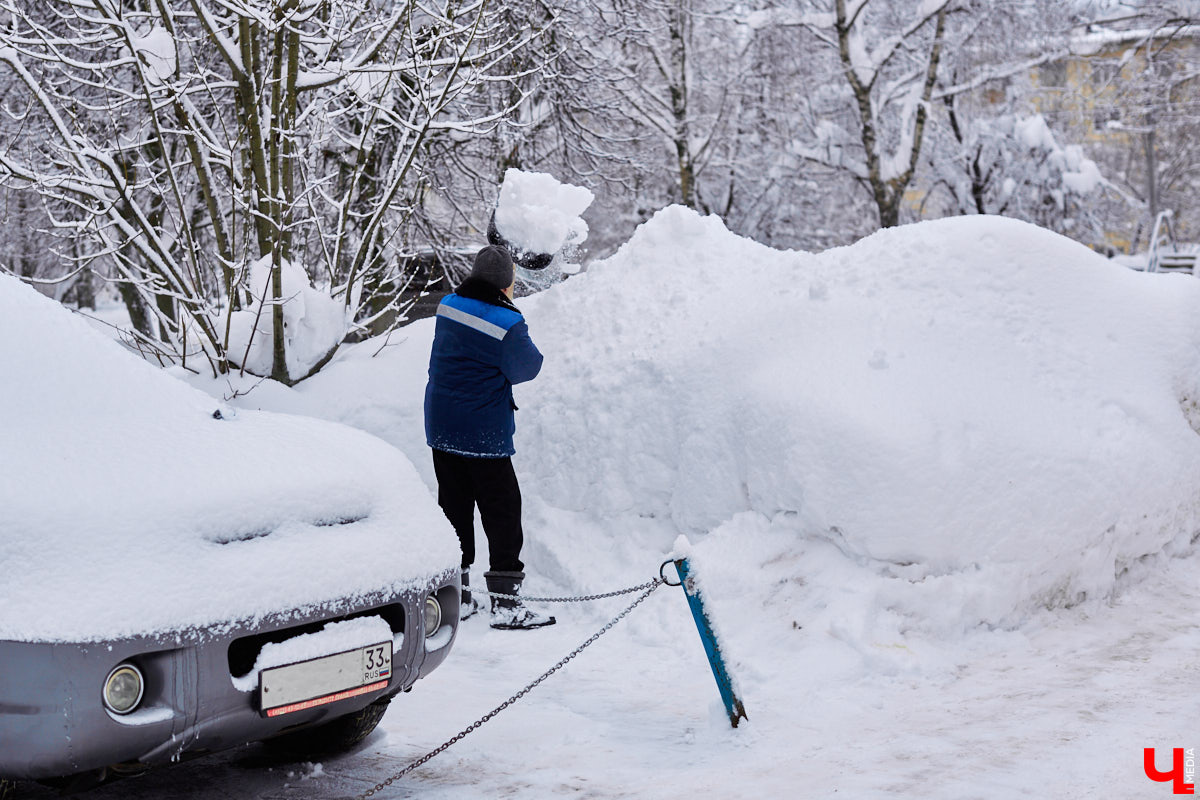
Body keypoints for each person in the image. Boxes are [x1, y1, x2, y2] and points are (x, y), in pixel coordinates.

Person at [424, 245, 556, 630]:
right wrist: (511, 309)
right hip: (483, 432)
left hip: (442, 424)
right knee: (502, 512)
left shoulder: (448, 305)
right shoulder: (506, 322)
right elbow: (528, 368)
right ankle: (506, 603)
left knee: (454, 507)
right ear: (506, 282)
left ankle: (457, 596)